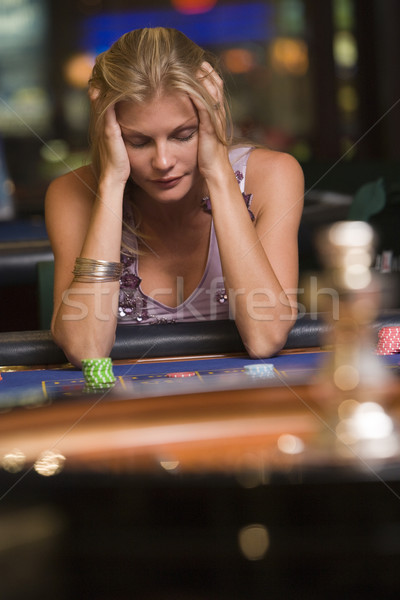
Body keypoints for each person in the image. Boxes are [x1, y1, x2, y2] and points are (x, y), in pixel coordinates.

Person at [45, 27, 304, 368]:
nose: (163, 161)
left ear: (211, 119)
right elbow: (85, 349)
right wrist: (111, 180)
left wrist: (218, 173)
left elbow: (265, 337)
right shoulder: (71, 195)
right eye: (138, 142)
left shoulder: (273, 176)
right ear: (111, 133)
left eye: (184, 135)